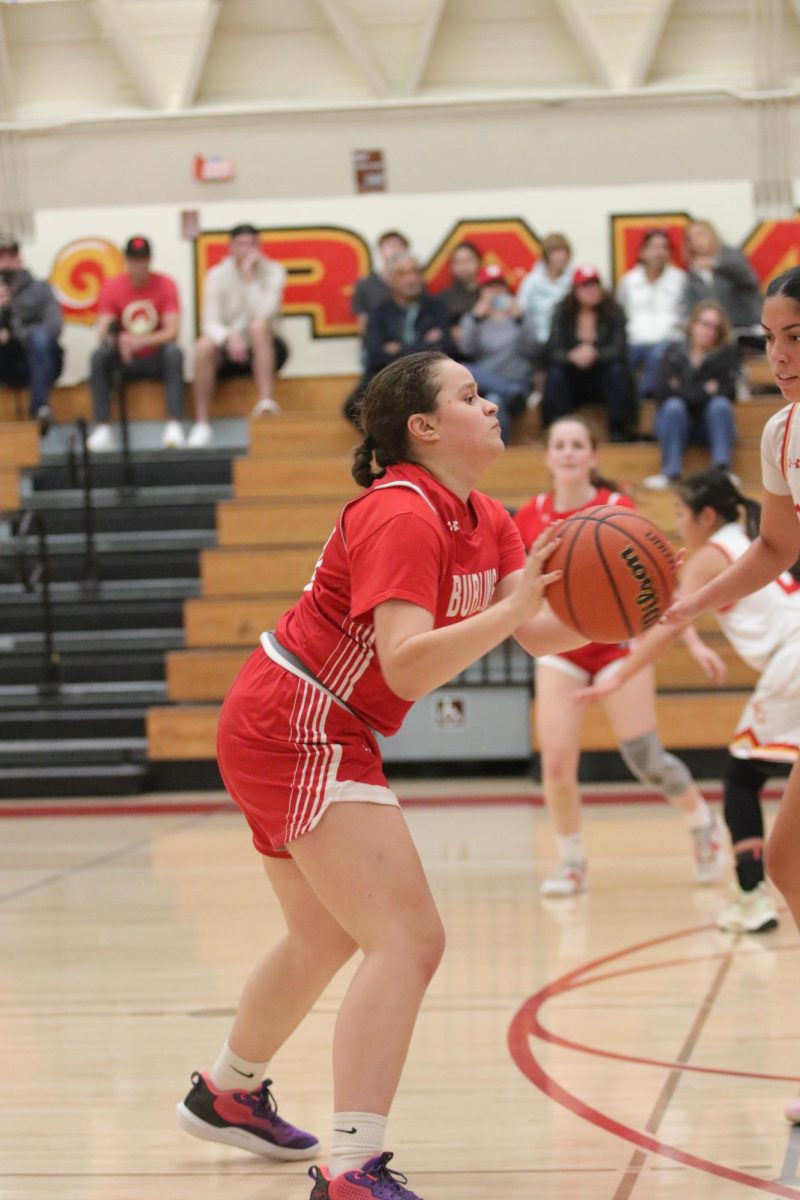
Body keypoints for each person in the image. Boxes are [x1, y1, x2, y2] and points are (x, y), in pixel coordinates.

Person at [175, 349, 588, 1198]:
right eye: (470, 395)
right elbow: (405, 667)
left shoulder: (488, 515)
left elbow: (542, 635)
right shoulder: (401, 512)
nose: (491, 402)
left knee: (327, 936)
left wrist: (663, 602)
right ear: (424, 427)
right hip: (299, 717)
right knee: (408, 939)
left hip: (304, 719)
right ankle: (353, 1167)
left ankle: (228, 1090)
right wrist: (514, 610)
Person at [662, 267, 800, 1123]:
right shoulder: (781, 435)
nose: (781, 356)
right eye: (774, 340)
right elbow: (776, 547)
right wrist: (688, 603)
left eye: (799, 338)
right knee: (786, 862)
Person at [512, 415, 727, 897]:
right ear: (548, 457)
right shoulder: (529, 516)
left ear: (593, 456)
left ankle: (701, 823)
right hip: (561, 650)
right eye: (560, 445)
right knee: (557, 764)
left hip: (617, 648)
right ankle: (571, 863)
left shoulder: (618, 509)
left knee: (646, 760)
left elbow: (659, 590)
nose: (568, 452)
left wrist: (690, 642)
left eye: (577, 444)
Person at [581, 467, 797, 933]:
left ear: (706, 516)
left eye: (681, 513)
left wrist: (619, 677)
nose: (677, 523)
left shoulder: (709, 556)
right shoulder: (749, 539)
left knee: (741, 777)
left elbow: (668, 626)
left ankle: (751, 894)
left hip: (793, 659)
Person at [193, 223, 288, 446]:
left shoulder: (274, 271)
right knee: (202, 347)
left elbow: (264, 312)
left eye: (251, 244)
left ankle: (266, 401)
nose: (246, 249)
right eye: (241, 244)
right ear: (231, 247)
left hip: (267, 345)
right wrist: (228, 337)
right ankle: (202, 423)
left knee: (258, 326)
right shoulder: (216, 275)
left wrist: (249, 279)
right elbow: (209, 322)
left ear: (259, 247)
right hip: (230, 347)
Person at [86, 236, 184, 452]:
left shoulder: (166, 284)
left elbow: (172, 332)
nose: (139, 265)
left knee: (174, 353)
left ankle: (174, 423)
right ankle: (102, 426)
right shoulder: (112, 287)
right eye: (134, 259)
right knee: (99, 356)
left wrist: (139, 341)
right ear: (126, 260)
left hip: (154, 356)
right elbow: (103, 331)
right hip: (124, 358)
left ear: (150, 260)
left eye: (143, 259)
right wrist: (119, 342)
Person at [344, 254, 454, 425]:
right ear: (390, 280)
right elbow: (375, 354)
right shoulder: (379, 312)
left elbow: (445, 348)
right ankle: (388, 446)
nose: (411, 279)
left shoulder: (436, 307)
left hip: (429, 374)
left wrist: (398, 349)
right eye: (403, 274)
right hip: (387, 375)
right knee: (353, 407)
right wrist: (423, 344)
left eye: (415, 272)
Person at [644, 301, 740, 490]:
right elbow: (662, 393)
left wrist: (682, 389)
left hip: (708, 426)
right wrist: (704, 390)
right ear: (693, 324)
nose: (709, 331)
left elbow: (729, 393)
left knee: (719, 405)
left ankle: (722, 471)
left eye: (715, 328)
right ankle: (670, 472)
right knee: (673, 407)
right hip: (677, 425)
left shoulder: (724, 356)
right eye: (704, 324)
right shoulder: (672, 352)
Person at [542, 265, 637, 441]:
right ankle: (556, 428)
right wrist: (571, 356)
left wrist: (595, 354)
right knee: (556, 373)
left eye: (595, 285)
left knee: (617, 371)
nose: (591, 290)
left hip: (602, 377)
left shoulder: (614, 311)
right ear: (575, 290)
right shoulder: (562, 312)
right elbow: (553, 350)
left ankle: (619, 430)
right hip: (573, 377)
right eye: (585, 286)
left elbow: (619, 349)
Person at [457, 264, 538, 442]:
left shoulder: (521, 314)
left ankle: (501, 453)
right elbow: (465, 349)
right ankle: (512, 393)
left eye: (499, 286)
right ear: (482, 291)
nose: (495, 291)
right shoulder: (474, 318)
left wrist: (520, 319)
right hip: (488, 382)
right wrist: (475, 319)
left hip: (517, 378)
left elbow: (532, 350)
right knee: (468, 371)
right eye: (490, 287)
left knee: (495, 400)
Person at [0, 234, 63, 435]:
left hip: (34, 360)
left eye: (11, 257)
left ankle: (39, 408)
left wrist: (15, 334)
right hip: (4, 361)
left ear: (19, 259)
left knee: (40, 338)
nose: (6, 263)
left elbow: (54, 326)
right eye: (1, 257)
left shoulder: (40, 289)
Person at [616, 228, 686, 399]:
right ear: (642, 252)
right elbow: (619, 314)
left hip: (669, 339)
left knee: (658, 356)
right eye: (653, 247)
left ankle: (642, 400)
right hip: (634, 340)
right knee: (617, 364)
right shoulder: (628, 281)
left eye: (664, 247)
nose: (659, 252)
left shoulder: (680, 280)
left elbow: (688, 315)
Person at [682, 219, 762, 337]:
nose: (696, 240)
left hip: (745, 326)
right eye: (691, 238)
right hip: (716, 333)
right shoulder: (693, 272)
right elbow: (692, 305)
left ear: (712, 235)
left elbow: (750, 280)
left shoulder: (732, 256)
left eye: (700, 234)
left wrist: (716, 265)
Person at [517, 232, 573, 344]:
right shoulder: (532, 281)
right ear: (546, 255)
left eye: (564, 252)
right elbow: (521, 310)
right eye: (556, 252)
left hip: (566, 341)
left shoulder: (574, 281)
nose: (561, 257)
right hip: (537, 341)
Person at [435, 240, 483, 339]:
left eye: (468, 260)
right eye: (458, 262)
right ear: (451, 267)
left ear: (479, 262)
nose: (463, 266)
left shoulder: (490, 293)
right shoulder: (443, 298)